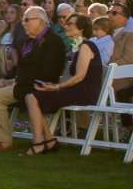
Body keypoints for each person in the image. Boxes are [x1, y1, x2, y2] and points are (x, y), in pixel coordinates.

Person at [0, 5, 60, 151]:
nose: (24, 23)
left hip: (35, 87)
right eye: (23, 20)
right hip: (19, 82)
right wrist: (8, 79)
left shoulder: (52, 42)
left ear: (40, 21)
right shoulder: (29, 41)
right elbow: (22, 67)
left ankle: (3, 140)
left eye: (27, 20)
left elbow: (48, 72)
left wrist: (15, 81)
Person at [22, 13, 105, 155]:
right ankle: (47, 140)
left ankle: (40, 142)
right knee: (32, 95)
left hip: (84, 92)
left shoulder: (86, 46)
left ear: (81, 29)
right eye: (66, 23)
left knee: (32, 97)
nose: (66, 26)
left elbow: (79, 77)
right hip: (76, 89)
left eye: (70, 24)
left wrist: (56, 87)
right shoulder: (78, 47)